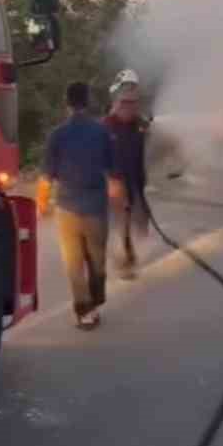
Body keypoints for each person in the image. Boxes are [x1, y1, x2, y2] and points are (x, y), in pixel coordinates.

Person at [37, 80, 115, 330]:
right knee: (97, 260)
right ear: (88, 101)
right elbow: (113, 170)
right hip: (95, 208)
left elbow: (46, 175)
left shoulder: (57, 135)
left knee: (73, 263)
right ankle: (94, 300)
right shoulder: (101, 132)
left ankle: (85, 312)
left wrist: (41, 204)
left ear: (67, 104)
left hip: (66, 209)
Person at [105, 70, 151, 279]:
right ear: (116, 101)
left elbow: (146, 147)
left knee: (140, 221)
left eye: (133, 102)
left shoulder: (140, 125)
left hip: (135, 180)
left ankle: (126, 254)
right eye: (125, 102)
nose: (130, 106)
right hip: (114, 182)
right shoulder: (106, 127)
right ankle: (125, 260)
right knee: (121, 220)